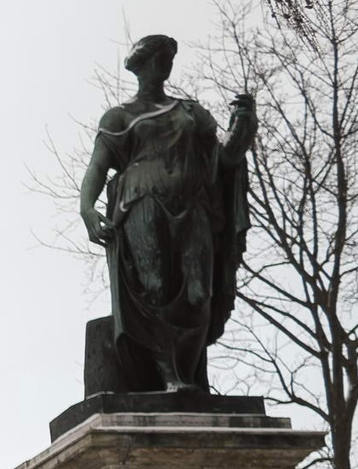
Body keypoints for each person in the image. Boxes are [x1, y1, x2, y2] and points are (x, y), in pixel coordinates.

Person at [77, 33, 255, 393]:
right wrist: (87, 208)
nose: (166, 64)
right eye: (160, 57)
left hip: (193, 209)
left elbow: (224, 160)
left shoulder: (190, 112)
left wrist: (244, 124)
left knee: (197, 294)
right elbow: (98, 167)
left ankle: (185, 374)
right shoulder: (120, 117)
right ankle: (171, 377)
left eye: (169, 58)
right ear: (141, 65)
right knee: (154, 288)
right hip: (141, 206)